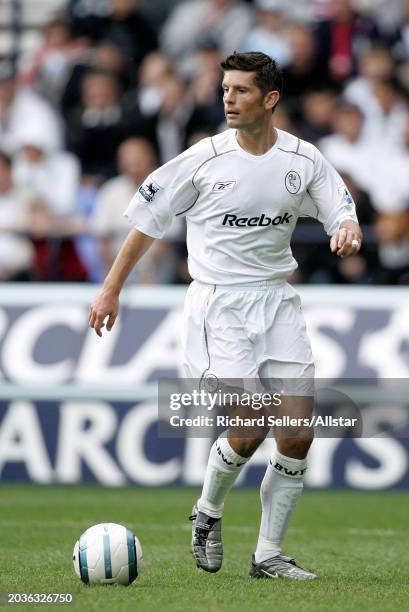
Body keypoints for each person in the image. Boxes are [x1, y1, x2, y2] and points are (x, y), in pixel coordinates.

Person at [89, 51, 362, 580]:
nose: (228, 99)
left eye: (240, 90)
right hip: (218, 305)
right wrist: (110, 289)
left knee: (298, 432)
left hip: (277, 301)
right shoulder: (202, 159)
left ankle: (267, 556)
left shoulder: (303, 160)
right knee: (252, 421)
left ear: (270, 99)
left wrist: (347, 230)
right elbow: (148, 221)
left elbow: (341, 209)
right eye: (225, 90)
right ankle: (208, 512)